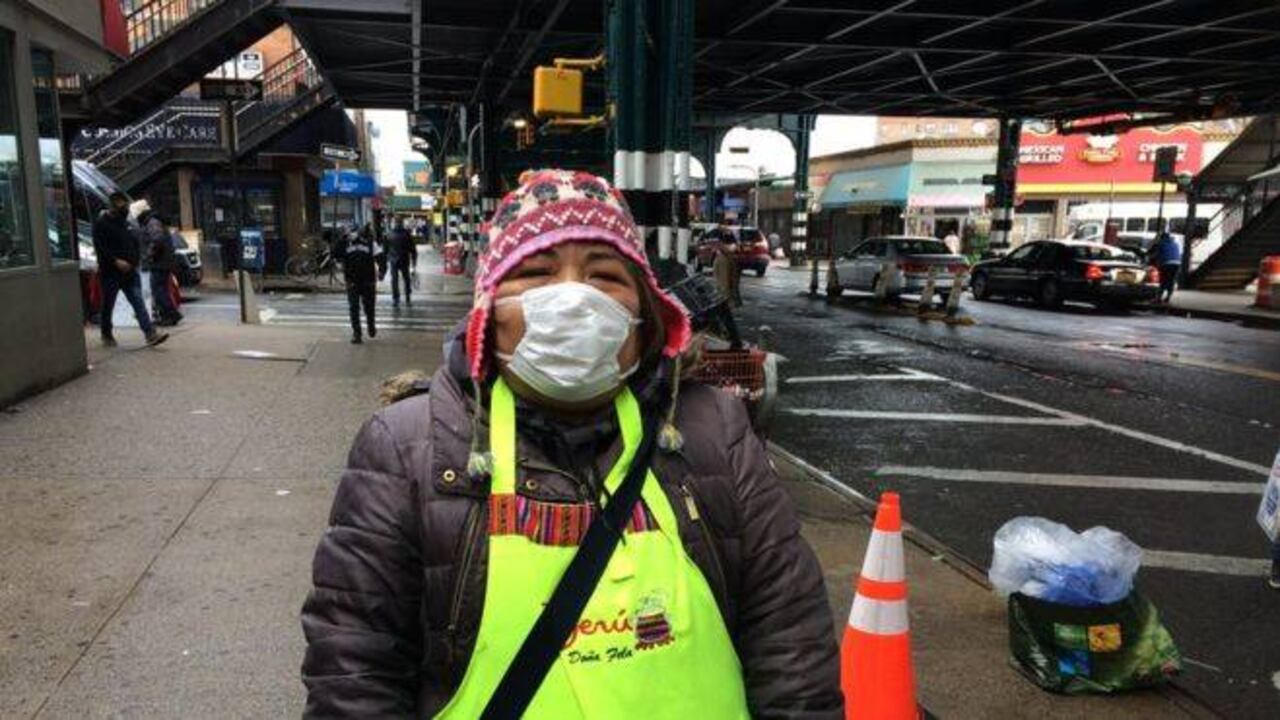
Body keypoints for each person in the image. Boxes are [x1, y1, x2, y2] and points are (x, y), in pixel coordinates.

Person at [300, 170, 842, 718]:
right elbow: (354, 674)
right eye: (536, 273)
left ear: (642, 314)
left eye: (604, 275)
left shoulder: (713, 432)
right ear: (489, 310)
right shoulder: (406, 449)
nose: (574, 298)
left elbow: (791, 647)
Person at [92, 192, 168, 348]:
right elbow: (100, 248)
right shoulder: (101, 224)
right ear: (112, 207)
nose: (125, 209)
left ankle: (150, 333)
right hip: (110, 272)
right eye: (121, 206)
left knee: (138, 301)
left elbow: (134, 243)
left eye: (125, 206)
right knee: (108, 305)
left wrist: (134, 262)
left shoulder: (126, 223)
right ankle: (106, 333)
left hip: (129, 272)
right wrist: (115, 261)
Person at [134, 200, 182, 326]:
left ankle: (170, 314)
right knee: (161, 289)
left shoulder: (151, 222)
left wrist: (149, 255)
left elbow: (157, 240)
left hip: (159, 262)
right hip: (162, 261)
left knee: (158, 289)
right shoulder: (153, 221)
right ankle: (169, 314)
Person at [339, 225, 379, 344]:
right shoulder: (346, 244)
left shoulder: (371, 244)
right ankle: (357, 333)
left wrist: (382, 270)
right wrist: (343, 239)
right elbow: (335, 253)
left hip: (366, 281)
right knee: (354, 307)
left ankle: (370, 326)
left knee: (368, 307)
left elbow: (380, 256)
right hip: (354, 281)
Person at [387, 217, 417, 305]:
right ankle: (407, 296)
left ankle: (396, 298)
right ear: (402, 223)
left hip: (393, 260)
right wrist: (414, 262)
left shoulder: (389, 234)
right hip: (404, 259)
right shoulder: (407, 234)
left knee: (394, 280)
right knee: (406, 278)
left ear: (394, 223)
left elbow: (385, 249)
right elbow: (413, 249)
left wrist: (386, 260)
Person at [1150, 230, 1182, 304]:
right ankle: (1168, 298)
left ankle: (1158, 299)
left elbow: (1155, 254)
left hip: (1166, 264)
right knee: (1171, 281)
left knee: (1163, 281)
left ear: (1161, 238)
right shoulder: (1175, 244)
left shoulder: (1161, 243)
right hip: (1177, 264)